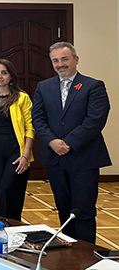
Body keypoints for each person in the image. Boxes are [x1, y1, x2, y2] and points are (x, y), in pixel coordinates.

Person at [32, 42, 111, 243]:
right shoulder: (43, 87)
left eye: (65, 59)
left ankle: (85, 255)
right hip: (54, 158)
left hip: (84, 158)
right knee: (64, 210)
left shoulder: (93, 86)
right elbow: (38, 118)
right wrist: (52, 141)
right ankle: (68, 252)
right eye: (55, 61)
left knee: (83, 211)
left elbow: (95, 120)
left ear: (76, 60)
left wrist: (67, 143)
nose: (60, 64)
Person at [0, 59, 34, 221]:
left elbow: (30, 128)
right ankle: (0, 226)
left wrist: (26, 155)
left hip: (15, 150)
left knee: (8, 189)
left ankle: (13, 224)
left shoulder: (22, 98)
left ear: (11, 76)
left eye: (4, 73)